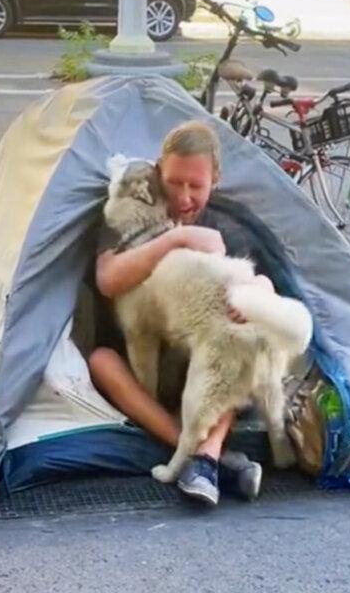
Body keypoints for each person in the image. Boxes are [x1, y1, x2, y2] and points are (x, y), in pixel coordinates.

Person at [89, 120, 272, 505]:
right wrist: (178, 237)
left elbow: (265, 285)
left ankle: (209, 452)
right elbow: (107, 279)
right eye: (174, 183)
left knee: (243, 338)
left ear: (215, 181)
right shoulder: (130, 209)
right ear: (158, 172)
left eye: (196, 186)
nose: (185, 197)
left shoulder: (225, 228)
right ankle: (204, 456)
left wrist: (255, 293)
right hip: (142, 370)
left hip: (201, 365)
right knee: (101, 361)